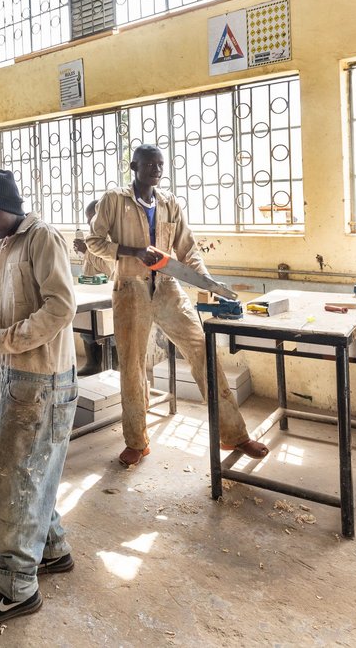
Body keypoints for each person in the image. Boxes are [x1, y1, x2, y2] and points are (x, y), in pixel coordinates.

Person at [86, 145, 268, 467]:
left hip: (168, 288)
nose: (156, 170)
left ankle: (235, 435)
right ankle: (136, 442)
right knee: (132, 365)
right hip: (130, 289)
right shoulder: (114, 200)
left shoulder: (169, 202)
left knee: (202, 352)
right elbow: (94, 242)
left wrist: (208, 282)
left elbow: (187, 249)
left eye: (160, 165)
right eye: (149, 164)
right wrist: (133, 251)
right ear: (134, 166)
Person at [0, 170, 77, 626]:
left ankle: (15, 587)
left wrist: (2, 339)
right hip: (20, 374)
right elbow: (15, 304)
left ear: (12, 206)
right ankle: (51, 548)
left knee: (14, 480)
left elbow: (60, 307)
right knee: (35, 471)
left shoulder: (42, 237)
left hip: (41, 379)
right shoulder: (7, 245)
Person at [72, 199, 113, 376]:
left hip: (107, 294)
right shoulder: (93, 236)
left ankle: (113, 367)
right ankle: (93, 363)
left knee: (110, 333)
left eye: (92, 218)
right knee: (87, 331)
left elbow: (108, 268)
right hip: (91, 292)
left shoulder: (109, 237)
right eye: (88, 219)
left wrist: (87, 250)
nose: (89, 223)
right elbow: (92, 265)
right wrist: (83, 252)